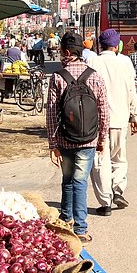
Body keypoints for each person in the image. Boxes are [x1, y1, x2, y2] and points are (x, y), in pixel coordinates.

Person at [45, 32, 109, 243]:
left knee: (68, 180)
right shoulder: (95, 76)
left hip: (65, 138)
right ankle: (80, 229)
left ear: (64, 51)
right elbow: (103, 110)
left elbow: (52, 113)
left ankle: (66, 221)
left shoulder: (57, 77)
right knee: (80, 182)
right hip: (88, 139)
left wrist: (53, 144)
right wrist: (101, 139)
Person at [88, 28, 137, 215]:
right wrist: (135, 116)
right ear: (117, 46)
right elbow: (132, 90)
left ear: (100, 44)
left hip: (97, 121)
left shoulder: (92, 60)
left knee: (101, 160)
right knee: (119, 158)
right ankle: (118, 189)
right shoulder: (125, 62)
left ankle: (106, 202)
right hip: (120, 119)